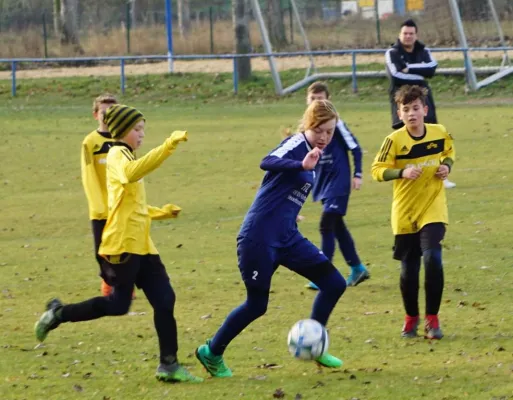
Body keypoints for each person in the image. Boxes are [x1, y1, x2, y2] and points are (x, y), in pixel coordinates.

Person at [35, 105, 203, 383]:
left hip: (144, 245)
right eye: (137, 129)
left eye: (143, 129)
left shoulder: (126, 155)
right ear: (123, 130)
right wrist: (168, 146)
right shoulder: (116, 155)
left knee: (165, 299)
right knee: (117, 304)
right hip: (123, 245)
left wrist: (161, 212)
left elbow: (132, 205)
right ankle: (58, 313)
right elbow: (131, 173)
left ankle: (169, 364)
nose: (142, 135)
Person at [195, 100, 347, 378]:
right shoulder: (296, 144)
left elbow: (285, 192)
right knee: (257, 305)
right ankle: (211, 352)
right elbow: (267, 162)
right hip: (258, 238)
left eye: (330, 132)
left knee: (334, 283)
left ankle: (315, 343)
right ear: (308, 126)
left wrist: (291, 212)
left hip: (287, 237)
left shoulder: (314, 153)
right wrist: (300, 162)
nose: (325, 137)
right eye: (320, 130)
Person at [371, 85, 455, 340]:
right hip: (406, 213)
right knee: (409, 270)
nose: (411, 114)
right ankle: (411, 318)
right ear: (399, 113)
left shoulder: (439, 133)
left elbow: (449, 154)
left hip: (433, 207)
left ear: (425, 110)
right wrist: (401, 172)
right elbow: (377, 170)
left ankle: (433, 319)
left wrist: (446, 167)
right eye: (406, 109)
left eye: (416, 108)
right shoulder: (393, 141)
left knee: (432, 259)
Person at [304, 82, 369, 290]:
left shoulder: (337, 124)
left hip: (339, 182)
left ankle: (323, 274)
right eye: (313, 99)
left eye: (321, 99)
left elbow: (356, 148)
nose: (317, 103)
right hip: (322, 183)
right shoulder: (308, 127)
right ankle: (358, 268)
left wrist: (357, 174)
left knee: (326, 224)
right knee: (337, 228)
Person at [385, 19, 456, 189]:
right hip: (401, 100)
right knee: (405, 138)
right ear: (399, 35)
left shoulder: (424, 50)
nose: (408, 36)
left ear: (416, 35)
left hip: (424, 99)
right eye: (405, 33)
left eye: (411, 33)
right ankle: (405, 175)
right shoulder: (392, 53)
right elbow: (395, 76)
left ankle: (440, 174)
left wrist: (408, 68)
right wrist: (420, 75)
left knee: (431, 135)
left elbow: (432, 68)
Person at [81, 94, 122, 297]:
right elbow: (89, 175)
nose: (107, 116)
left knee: (124, 247)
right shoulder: (91, 142)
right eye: (104, 112)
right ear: (95, 114)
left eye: (112, 111)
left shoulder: (123, 139)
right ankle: (109, 284)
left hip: (122, 205)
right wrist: (98, 205)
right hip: (101, 208)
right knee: (102, 250)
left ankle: (121, 288)